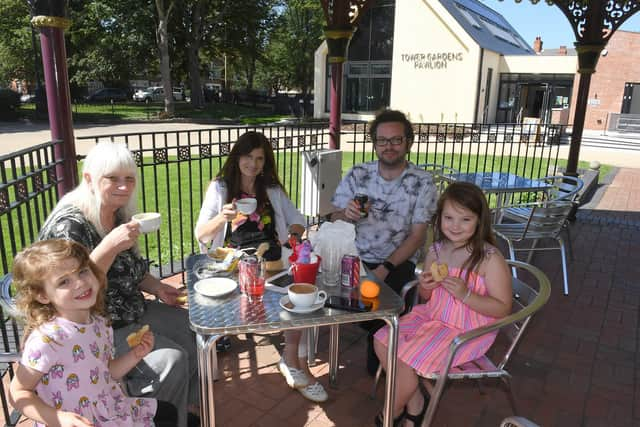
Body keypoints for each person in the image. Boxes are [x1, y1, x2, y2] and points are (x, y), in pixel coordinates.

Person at [38, 142, 198, 427]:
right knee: (172, 360)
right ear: (89, 179)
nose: (124, 187)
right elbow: (73, 291)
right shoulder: (70, 227)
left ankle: (183, 409)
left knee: (191, 328)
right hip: (96, 325)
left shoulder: (118, 214)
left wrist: (158, 287)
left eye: (129, 179)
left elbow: (132, 271)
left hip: (131, 308)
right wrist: (109, 247)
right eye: (113, 178)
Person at [195, 131, 328, 403]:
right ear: (237, 157)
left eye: (259, 158)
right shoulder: (221, 188)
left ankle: (293, 360)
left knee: (300, 296)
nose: (253, 164)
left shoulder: (272, 189)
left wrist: (293, 231)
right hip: (233, 265)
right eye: (247, 156)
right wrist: (222, 217)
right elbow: (202, 234)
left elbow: (297, 220)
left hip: (274, 261)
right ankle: (294, 363)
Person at [373, 182, 512, 427]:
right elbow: (427, 297)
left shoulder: (489, 258)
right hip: (432, 317)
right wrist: (426, 285)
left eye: (465, 219)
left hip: (465, 330)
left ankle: (390, 414)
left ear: (479, 221)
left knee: (403, 358)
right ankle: (415, 402)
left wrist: (466, 295)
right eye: (449, 217)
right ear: (439, 219)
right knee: (382, 338)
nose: (455, 226)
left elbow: (503, 308)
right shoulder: (436, 250)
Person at [9, 239, 178, 427]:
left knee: (168, 413)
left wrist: (134, 355)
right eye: (64, 281)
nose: (80, 283)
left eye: (83, 271)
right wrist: (58, 418)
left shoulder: (98, 322)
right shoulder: (48, 339)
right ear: (43, 295)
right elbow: (18, 392)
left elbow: (104, 371)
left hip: (108, 409)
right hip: (76, 422)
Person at [328, 109, 439, 374]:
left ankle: (381, 346)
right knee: (327, 295)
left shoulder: (422, 182)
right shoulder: (358, 174)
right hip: (354, 256)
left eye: (396, 140)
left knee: (384, 302)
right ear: (374, 143)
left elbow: (417, 236)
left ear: (408, 142)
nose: (388, 146)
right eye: (382, 140)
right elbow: (331, 216)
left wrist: (383, 269)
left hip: (397, 260)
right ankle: (371, 334)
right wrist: (346, 214)